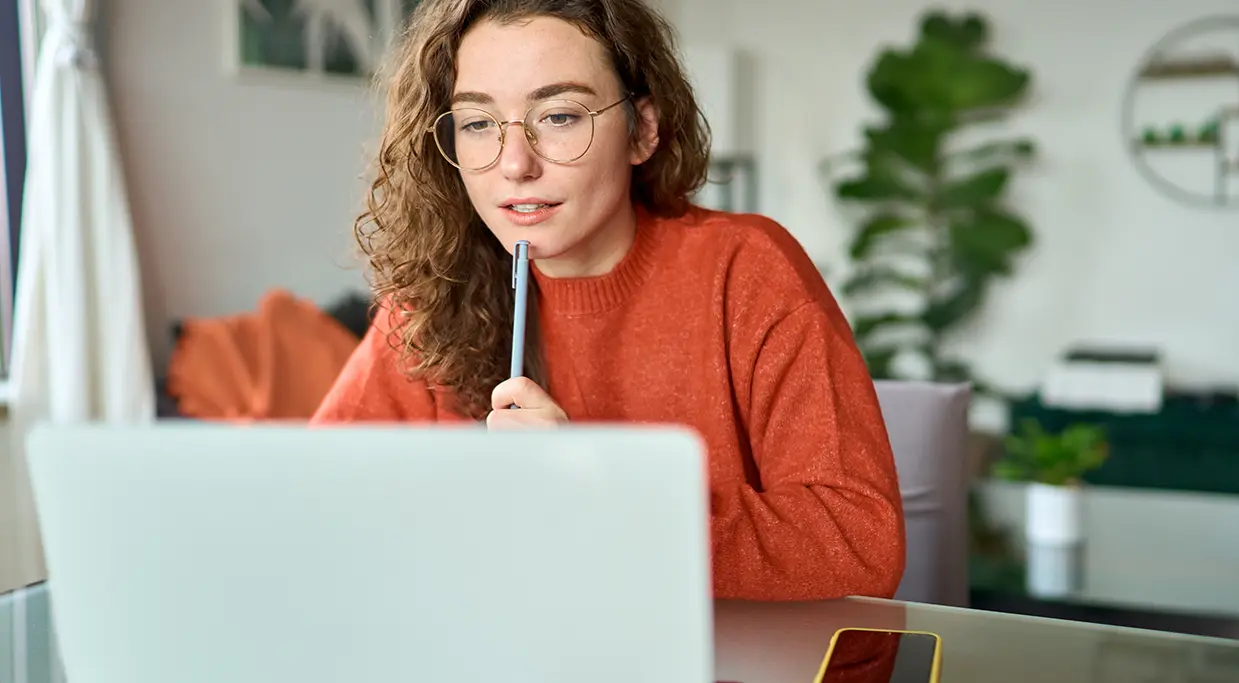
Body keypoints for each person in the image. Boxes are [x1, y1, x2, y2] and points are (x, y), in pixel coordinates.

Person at [312, 0, 907, 602]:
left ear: (642, 130)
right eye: (478, 124)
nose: (515, 164)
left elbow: (857, 540)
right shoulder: (432, 300)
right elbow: (312, 505)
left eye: (561, 116)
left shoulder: (746, 270)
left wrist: (605, 503)